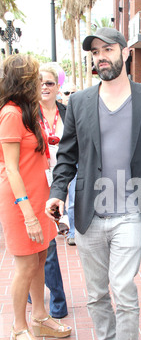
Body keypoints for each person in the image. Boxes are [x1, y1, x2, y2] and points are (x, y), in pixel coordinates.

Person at [45, 27, 141, 340]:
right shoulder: (79, 102)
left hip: (130, 210)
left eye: (108, 49)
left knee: (124, 288)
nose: (101, 57)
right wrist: (57, 191)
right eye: (95, 52)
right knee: (96, 292)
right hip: (89, 213)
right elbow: (67, 155)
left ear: (125, 53)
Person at [0, 54, 71, 340]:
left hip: (39, 197)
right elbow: (12, 169)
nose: (42, 83)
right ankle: (19, 328)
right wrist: (28, 213)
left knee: (42, 256)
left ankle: (40, 318)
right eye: (36, 78)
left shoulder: (27, 112)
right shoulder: (11, 114)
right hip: (21, 201)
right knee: (26, 265)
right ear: (24, 81)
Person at [38, 64, 69, 318]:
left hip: (66, 180)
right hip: (37, 182)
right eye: (39, 82)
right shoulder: (26, 114)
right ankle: (57, 299)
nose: (44, 87)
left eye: (49, 82)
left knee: (46, 240)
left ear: (58, 87)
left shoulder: (68, 113)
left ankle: (33, 286)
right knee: (46, 242)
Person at [62, 82, 78, 246]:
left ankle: (72, 231)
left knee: (73, 198)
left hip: (75, 161)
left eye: (73, 92)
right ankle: (60, 223)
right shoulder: (57, 112)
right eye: (67, 93)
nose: (70, 95)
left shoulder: (80, 110)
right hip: (51, 163)